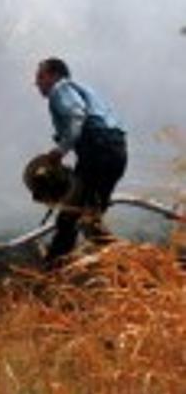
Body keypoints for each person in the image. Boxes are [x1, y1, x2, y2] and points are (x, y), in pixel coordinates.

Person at [34, 57, 127, 264]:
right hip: (115, 152)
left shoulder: (61, 89)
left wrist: (60, 151)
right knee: (89, 219)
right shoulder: (84, 90)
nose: (37, 83)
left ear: (55, 75)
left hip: (98, 150)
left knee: (70, 217)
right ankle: (129, 268)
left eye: (41, 76)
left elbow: (76, 116)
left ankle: (52, 275)